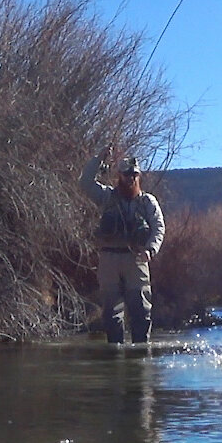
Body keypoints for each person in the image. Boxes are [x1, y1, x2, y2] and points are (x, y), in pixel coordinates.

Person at [79, 146, 165, 344]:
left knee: (141, 310)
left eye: (134, 175)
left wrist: (150, 250)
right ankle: (114, 354)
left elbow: (158, 228)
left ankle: (141, 353)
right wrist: (98, 158)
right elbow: (85, 183)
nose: (130, 178)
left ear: (139, 176)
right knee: (111, 311)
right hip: (109, 258)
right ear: (119, 176)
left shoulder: (147, 202)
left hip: (137, 259)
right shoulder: (106, 196)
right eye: (126, 174)